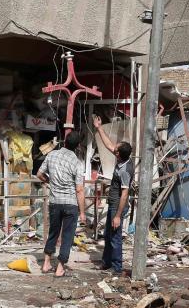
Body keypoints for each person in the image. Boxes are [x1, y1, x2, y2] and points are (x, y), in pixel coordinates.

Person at [37, 131, 86, 277]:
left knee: (53, 232)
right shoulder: (77, 163)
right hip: (70, 204)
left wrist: (50, 181)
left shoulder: (51, 155)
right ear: (77, 146)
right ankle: (60, 267)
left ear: (64, 142)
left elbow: (39, 174)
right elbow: (79, 189)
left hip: (55, 201)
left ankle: (46, 263)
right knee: (67, 236)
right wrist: (82, 212)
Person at [93, 115, 133, 274]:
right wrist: (99, 128)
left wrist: (117, 215)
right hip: (113, 203)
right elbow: (109, 144)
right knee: (108, 234)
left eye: (116, 150)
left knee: (115, 238)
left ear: (119, 154)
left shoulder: (125, 171)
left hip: (118, 205)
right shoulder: (121, 159)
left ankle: (117, 268)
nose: (113, 149)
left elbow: (125, 194)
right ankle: (106, 262)